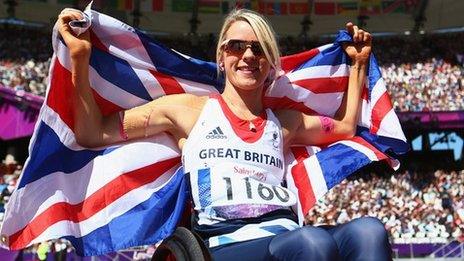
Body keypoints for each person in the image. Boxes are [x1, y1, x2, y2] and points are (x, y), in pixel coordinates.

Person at [57, 8, 391, 260]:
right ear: (221, 56)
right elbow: (93, 133)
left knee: (369, 232)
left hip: (286, 236)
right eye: (237, 46)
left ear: (272, 64)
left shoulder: (284, 123)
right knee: (311, 243)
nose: (248, 55)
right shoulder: (187, 111)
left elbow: (345, 127)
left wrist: (358, 66)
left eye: (259, 49)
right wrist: (80, 58)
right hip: (222, 243)